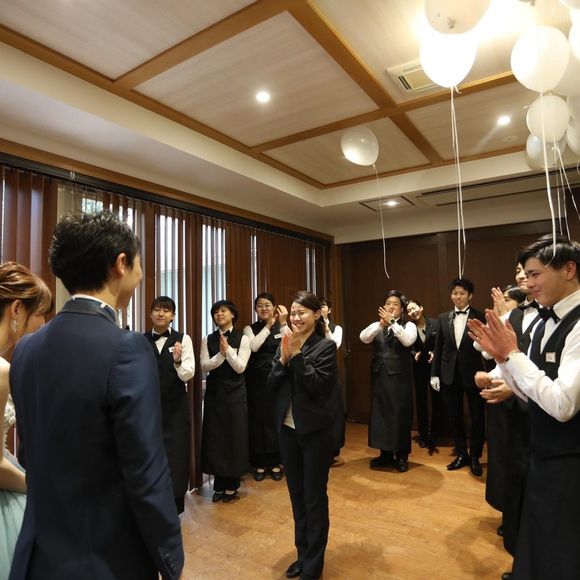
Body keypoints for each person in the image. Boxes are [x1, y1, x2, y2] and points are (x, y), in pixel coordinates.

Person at [9, 211, 184, 580]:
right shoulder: (127, 348)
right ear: (121, 264)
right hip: (105, 557)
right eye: (139, 264)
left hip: (37, 554)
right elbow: (146, 471)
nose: (141, 275)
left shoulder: (26, 349)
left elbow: (30, 453)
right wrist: (171, 559)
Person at [468, 235, 580, 580]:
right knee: (538, 529)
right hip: (540, 448)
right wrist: (503, 362)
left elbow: (562, 404)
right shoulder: (548, 321)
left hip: (569, 457)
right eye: (526, 275)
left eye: (534, 274)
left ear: (569, 269)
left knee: (561, 542)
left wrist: (512, 355)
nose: (528, 284)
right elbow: (533, 392)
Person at [474, 262, 541, 579]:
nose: (524, 276)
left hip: (547, 424)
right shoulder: (520, 315)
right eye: (521, 271)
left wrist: (513, 388)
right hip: (518, 418)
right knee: (515, 481)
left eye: (533, 272)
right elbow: (499, 357)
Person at [268, 291, 338, 580]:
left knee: (314, 497)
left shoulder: (326, 346)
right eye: (293, 313)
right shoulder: (284, 342)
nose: (296, 318)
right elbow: (272, 384)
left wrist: (296, 356)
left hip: (315, 433)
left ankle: (313, 565)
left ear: (317, 315)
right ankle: (303, 554)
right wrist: (283, 360)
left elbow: (317, 384)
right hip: (287, 430)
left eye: (302, 313)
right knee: (297, 496)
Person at [0, 263, 51, 579]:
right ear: (17, 309)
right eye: (40, 314)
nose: (43, 324)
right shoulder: (1, 371)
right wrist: (42, 487)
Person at [430, 277, 488, 476]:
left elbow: (486, 347)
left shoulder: (480, 317)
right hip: (449, 374)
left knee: (477, 417)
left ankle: (475, 457)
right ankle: (462, 454)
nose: (458, 297)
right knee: (454, 417)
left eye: (462, 293)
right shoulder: (442, 317)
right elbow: (438, 348)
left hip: (473, 374)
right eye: (454, 293)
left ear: (470, 295)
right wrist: (434, 374)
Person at [144, 296, 195, 515]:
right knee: (149, 455)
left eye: (166, 310)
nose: (161, 314)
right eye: (157, 309)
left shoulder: (183, 339)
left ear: (173, 315)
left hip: (175, 409)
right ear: (150, 314)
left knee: (176, 455)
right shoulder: (140, 340)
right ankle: (151, 504)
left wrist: (177, 361)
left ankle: (175, 505)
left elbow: (188, 374)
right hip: (148, 409)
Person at [360, 290, 417, 473]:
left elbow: (408, 341)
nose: (391, 306)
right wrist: (380, 324)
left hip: (400, 379)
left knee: (399, 415)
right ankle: (385, 454)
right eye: (388, 303)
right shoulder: (377, 325)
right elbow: (363, 338)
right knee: (381, 415)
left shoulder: (409, 325)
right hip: (380, 377)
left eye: (395, 304)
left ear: (402, 309)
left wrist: (392, 323)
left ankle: (401, 456)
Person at [200, 299, 250, 503]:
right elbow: (204, 366)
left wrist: (227, 351)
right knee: (216, 438)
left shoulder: (243, 338)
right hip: (214, 394)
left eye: (223, 311)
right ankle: (219, 484)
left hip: (236, 393)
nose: (219, 314)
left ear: (233, 315)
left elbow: (240, 367)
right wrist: (220, 356)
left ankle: (232, 484)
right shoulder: (207, 339)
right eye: (215, 312)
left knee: (234, 437)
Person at [243, 293, 287, 482]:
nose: (264, 308)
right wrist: (268, 326)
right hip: (256, 380)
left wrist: (282, 324)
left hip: (278, 378)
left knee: (275, 419)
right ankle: (260, 462)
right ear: (255, 309)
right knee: (258, 420)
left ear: (274, 307)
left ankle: (276, 461)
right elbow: (253, 346)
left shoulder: (282, 326)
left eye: (267, 305)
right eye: (260, 305)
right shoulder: (249, 328)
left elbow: (289, 345)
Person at [406, 299, 443, 450]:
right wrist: (413, 354)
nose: (412, 312)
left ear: (421, 307)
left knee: (437, 402)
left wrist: (435, 353)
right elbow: (405, 347)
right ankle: (423, 436)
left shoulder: (435, 323)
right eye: (409, 310)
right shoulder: (409, 327)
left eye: (414, 308)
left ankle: (434, 435)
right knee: (421, 402)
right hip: (418, 368)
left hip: (435, 368)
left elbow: (442, 343)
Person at [319, 296, 345, 468]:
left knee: (334, 412)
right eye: (319, 306)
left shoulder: (337, 328)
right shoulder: (311, 327)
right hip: (315, 372)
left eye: (323, 306)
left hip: (331, 373)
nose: (321, 309)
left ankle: (333, 451)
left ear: (329, 310)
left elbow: (335, 345)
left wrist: (326, 329)